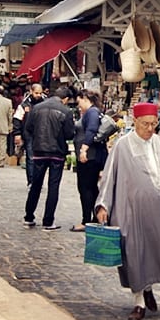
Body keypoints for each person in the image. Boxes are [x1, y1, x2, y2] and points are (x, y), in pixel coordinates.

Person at [95, 102, 160, 320]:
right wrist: (103, 205)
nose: (150, 128)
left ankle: (148, 288)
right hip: (130, 210)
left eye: (153, 124)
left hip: (158, 212)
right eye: (145, 124)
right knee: (135, 253)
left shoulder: (159, 143)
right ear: (135, 122)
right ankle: (138, 301)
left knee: (157, 249)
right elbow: (110, 176)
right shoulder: (122, 145)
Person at [22, 86, 75, 230]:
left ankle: (29, 216)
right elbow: (70, 133)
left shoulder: (37, 108)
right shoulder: (66, 111)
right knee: (53, 186)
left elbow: (28, 128)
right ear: (65, 99)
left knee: (36, 185)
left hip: (39, 150)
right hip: (57, 152)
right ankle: (48, 220)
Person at [71, 88, 108, 232]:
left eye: (79, 101)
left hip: (90, 156)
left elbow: (91, 130)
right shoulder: (93, 112)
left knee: (86, 188)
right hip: (92, 155)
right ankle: (95, 218)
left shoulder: (92, 112)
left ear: (85, 98)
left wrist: (83, 149)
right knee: (91, 188)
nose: (78, 105)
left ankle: (87, 220)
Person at [13, 83, 45, 187]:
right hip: (29, 134)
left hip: (42, 134)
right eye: (36, 93)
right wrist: (17, 133)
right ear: (31, 91)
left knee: (41, 158)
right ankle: (31, 181)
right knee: (31, 157)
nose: (38, 95)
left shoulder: (45, 103)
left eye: (40, 93)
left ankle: (38, 180)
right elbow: (17, 119)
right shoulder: (24, 105)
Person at [0, 84, 14, 168]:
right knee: (2, 144)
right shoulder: (8, 102)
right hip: (4, 126)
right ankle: (1, 161)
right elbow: (10, 115)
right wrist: (10, 126)